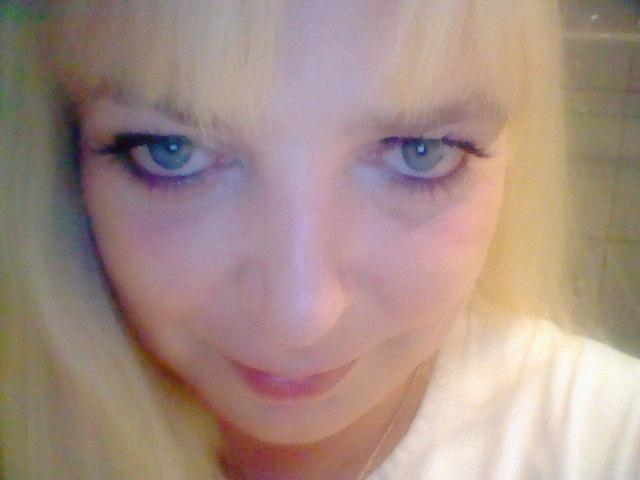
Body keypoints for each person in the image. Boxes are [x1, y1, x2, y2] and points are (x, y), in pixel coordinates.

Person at [1, 1, 638, 479]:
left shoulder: (605, 440)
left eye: (420, 152)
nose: (300, 317)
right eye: (174, 151)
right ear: (61, 157)